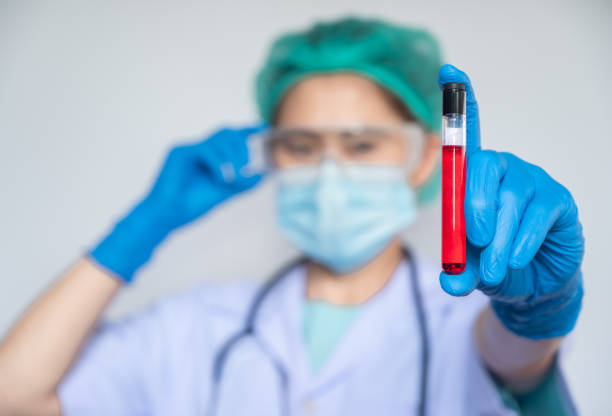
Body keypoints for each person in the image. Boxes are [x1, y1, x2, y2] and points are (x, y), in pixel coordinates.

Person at [0, 17, 584, 416]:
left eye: (361, 146)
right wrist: (137, 232)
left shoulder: (469, 318)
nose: (330, 173)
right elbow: (14, 396)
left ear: (425, 156)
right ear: (273, 155)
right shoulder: (197, 326)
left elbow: (518, 360)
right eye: (303, 147)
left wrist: (536, 309)